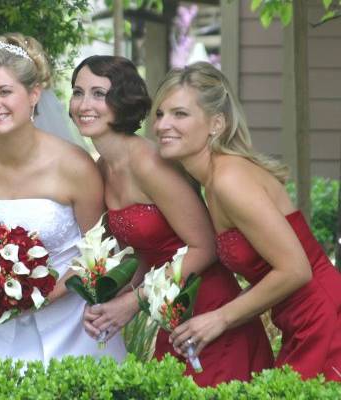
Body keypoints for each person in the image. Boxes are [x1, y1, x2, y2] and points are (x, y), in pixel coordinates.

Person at [70, 56, 274, 386]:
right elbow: (142, 255)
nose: (84, 104)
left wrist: (132, 303)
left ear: (122, 101)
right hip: (171, 312)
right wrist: (108, 301)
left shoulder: (149, 163)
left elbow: (205, 247)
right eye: (78, 92)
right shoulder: (102, 168)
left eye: (98, 93)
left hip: (208, 307)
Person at [0, 34, 127, 364]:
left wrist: (44, 294)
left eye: (4, 91)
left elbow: (98, 249)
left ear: (34, 94)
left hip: (70, 327)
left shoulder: (74, 166)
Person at [153, 61, 341, 381]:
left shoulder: (230, 179)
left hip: (324, 318)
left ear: (216, 123)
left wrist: (220, 319)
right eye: (160, 113)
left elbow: (296, 268)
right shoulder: (210, 180)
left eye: (179, 114)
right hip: (298, 320)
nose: (162, 125)